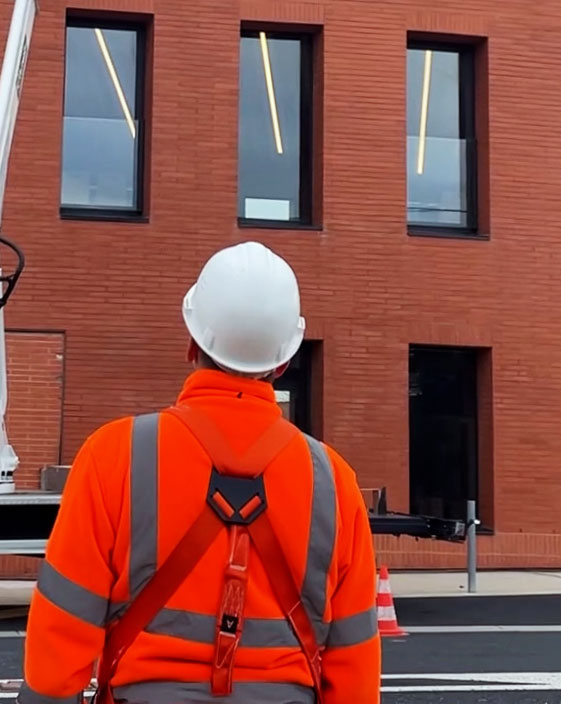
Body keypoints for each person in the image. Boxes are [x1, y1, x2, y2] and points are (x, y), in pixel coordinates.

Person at [19, 242, 381, 704]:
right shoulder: (334, 481)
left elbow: (56, 656)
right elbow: (355, 668)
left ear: (192, 342)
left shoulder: (115, 454)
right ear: (283, 362)